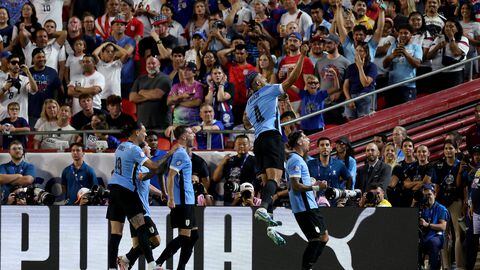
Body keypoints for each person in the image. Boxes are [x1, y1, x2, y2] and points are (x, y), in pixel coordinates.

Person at [244, 43, 309, 228]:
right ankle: (263, 209)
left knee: (266, 182)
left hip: (258, 141)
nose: (264, 78)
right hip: (272, 137)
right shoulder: (268, 89)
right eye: (261, 77)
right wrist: (302, 56)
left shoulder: (249, 103)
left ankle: (270, 221)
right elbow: (292, 79)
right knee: (275, 178)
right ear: (257, 83)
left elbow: (248, 122)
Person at [106, 122, 163, 270]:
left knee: (115, 233)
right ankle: (151, 265)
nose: (145, 135)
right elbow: (154, 167)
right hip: (126, 191)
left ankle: (112, 267)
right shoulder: (135, 150)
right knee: (141, 228)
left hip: (114, 191)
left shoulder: (120, 146)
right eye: (144, 132)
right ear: (137, 132)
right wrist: (169, 155)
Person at [155, 126, 198, 270]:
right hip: (183, 201)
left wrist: (163, 191)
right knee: (185, 237)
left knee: (194, 236)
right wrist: (170, 198)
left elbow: (161, 173)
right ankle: (157, 263)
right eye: (191, 133)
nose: (194, 135)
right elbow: (170, 176)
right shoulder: (180, 154)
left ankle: (180, 268)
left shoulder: (177, 153)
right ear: (184, 136)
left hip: (188, 200)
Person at [286, 130, 329, 268]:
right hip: (305, 208)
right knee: (317, 239)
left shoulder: (298, 159)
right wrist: (317, 188)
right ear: (299, 142)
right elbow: (295, 186)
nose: (308, 140)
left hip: (309, 206)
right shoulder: (295, 160)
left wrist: (314, 185)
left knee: (323, 237)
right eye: (304, 137)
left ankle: (308, 267)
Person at [117, 141, 163, 270]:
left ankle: (125, 260)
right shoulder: (135, 166)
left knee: (138, 245)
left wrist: (160, 193)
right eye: (147, 146)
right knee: (155, 241)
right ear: (142, 151)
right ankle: (132, 260)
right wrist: (157, 169)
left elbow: (147, 184)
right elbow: (142, 177)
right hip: (139, 211)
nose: (149, 147)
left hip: (139, 210)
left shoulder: (144, 167)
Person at [212, 135, 257, 205]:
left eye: (244, 144)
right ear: (234, 146)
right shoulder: (229, 160)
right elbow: (215, 178)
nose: (241, 146)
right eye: (239, 144)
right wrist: (222, 163)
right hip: (229, 198)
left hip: (247, 198)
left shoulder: (254, 160)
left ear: (249, 146)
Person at [129, 55, 172, 130]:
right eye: (148, 64)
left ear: (159, 65)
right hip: (143, 124)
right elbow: (132, 98)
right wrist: (150, 95)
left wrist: (141, 92)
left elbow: (157, 95)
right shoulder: (140, 79)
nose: (151, 66)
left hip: (161, 124)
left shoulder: (165, 78)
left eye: (153, 63)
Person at [307, 137, 352, 206]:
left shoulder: (339, 164)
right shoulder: (310, 164)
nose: (325, 147)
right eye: (322, 145)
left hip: (335, 204)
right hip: (315, 204)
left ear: (331, 148)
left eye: (327, 145)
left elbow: (349, 179)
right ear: (318, 148)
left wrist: (345, 198)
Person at [417, 183, 448, 270]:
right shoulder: (421, 208)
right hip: (423, 237)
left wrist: (427, 225)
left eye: (429, 194)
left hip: (436, 236)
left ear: (435, 194)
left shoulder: (441, 208)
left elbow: (443, 226)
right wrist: (414, 202)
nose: (427, 197)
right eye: (425, 195)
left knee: (433, 243)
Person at [0, 54, 38, 122]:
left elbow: (34, 90)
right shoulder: (1, 79)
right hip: (4, 118)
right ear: (8, 65)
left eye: (18, 63)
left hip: (21, 119)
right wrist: (4, 89)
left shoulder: (25, 79)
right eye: (14, 63)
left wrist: (28, 73)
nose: (17, 65)